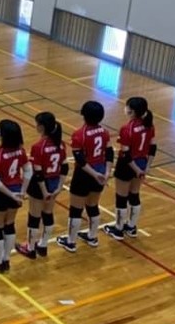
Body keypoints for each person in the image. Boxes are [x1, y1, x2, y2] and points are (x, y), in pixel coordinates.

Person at [58, 101, 113, 253]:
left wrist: (94, 174)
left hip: (84, 174)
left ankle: (70, 242)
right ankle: (92, 236)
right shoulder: (104, 132)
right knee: (92, 205)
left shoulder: (79, 134)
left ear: (83, 115)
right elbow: (109, 152)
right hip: (100, 171)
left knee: (76, 209)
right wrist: (106, 173)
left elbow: (80, 160)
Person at [18, 112, 67, 259]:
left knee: (34, 216)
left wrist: (44, 191)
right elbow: (64, 167)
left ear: (42, 127)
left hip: (40, 185)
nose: (36, 126)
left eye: (37, 124)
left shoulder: (38, 146)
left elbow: (38, 173)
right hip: (54, 182)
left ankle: (30, 248)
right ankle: (43, 245)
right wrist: (59, 186)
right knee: (48, 213)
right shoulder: (61, 144)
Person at [0, 120, 31, 273]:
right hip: (16, 190)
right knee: (9, 225)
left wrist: (11, 194)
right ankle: (6, 259)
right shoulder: (21, 151)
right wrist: (22, 192)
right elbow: (28, 171)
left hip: (0, 194)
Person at [106, 97, 156, 240]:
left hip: (127, 165)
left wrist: (137, 169)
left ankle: (118, 229)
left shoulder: (127, 129)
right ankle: (132, 227)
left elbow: (126, 154)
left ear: (131, 111)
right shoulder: (149, 125)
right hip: (141, 162)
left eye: (126, 106)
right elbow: (153, 147)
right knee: (134, 195)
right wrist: (146, 167)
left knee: (121, 197)